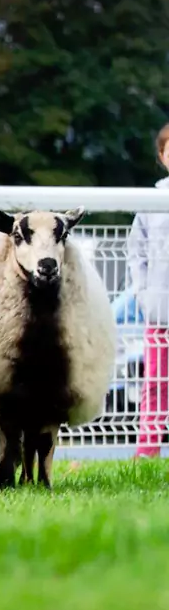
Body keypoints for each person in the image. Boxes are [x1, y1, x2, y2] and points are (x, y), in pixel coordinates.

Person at [126, 123, 169, 458]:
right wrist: (143, 293)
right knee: (155, 383)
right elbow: (135, 252)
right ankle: (147, 451)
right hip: (160, 311)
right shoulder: (150, 201)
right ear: (161, 155)